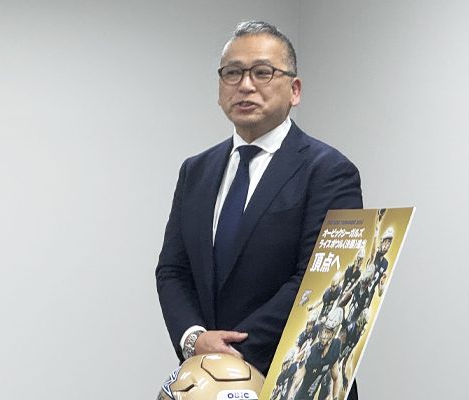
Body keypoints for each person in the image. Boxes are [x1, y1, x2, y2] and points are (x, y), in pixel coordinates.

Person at [155, 20, 362, 399]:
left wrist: (230, 352)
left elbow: (318, 281)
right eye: (232, 73)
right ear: (220, 90)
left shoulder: (330, 171)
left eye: (262, 72)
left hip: (296, 378)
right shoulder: (195, 171)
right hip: (208, 383)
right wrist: (195, 339)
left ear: (294, 90)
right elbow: (173, 270)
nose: (245, 85)